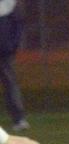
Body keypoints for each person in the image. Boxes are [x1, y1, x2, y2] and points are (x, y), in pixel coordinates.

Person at [0, 0, 28, 131]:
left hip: (5, 51)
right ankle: (19, 119)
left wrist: (13, 45)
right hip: (6, 49)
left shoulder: (10, 4)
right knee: (11, 84)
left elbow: (18, 25)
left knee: (10, 84)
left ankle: (19, 119)